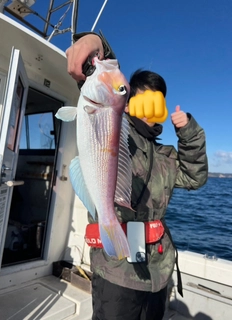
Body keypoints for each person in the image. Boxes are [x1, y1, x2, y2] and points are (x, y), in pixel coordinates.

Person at [65, 32, 208, 320]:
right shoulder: (119, 130)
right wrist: (97, 43)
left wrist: (188, 133)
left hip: (158, 270)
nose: (151, 108)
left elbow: (195, 177)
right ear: (129, 103)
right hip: (117, 272)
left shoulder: (167, 155)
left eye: (158, 100)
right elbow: (106, 86)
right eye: (143, 99)